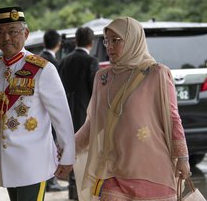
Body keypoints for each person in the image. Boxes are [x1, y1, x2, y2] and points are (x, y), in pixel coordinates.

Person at [75, 17, 191, 200]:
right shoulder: (103, 78)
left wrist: (183, 158)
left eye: (116, 40)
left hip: (152, 170)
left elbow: (173, 118)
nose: (109, 46)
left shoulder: (157, 74)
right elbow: (95, 123)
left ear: (132, 40)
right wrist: (67, 150)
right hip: (113, 170)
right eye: (107, 40)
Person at [0, 6, 75, 201]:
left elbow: (62, 117)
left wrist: (68, 156)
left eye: (12, 31)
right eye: (0, 32)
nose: (6, 37)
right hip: (6, 163)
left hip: (34, 162)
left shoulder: (43, 69)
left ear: (25, 33)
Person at [58, 26, 99, 200]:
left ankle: (71, 190)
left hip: (66, 111)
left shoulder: (64, 61)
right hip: (85, 113)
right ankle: (82, 191)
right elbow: (96, 91)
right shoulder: (91, 61)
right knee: (85, 154)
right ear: (91, 42)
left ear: (76, 40)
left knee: (70, 150)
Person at [38, 29, 66, 192]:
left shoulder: (39, 59)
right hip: (48, 111)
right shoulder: (51, 64)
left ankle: (48, 179)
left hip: (39, 112)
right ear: (58, 44)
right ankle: (50, 180)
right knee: (51, 145)